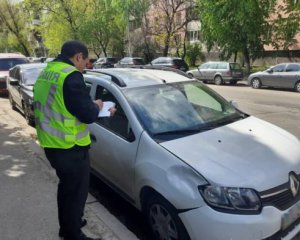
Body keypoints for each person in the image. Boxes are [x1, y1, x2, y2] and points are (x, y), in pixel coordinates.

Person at [33, 40, 113, 240]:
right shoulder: (71, 76)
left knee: (67, 189)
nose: (85, 68)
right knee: (75, 193)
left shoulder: (48, 71)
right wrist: (97, 105)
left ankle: (70, 223)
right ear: (78, 57)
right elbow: (87, 114)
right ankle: (72, 234)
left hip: (52, 143)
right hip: (70, 147)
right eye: (85, 62)